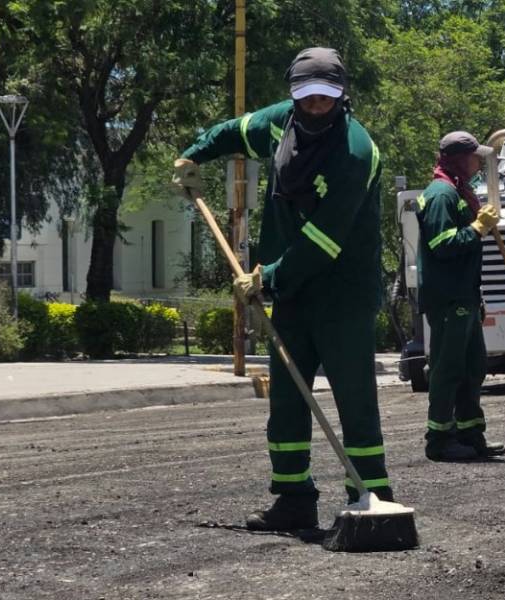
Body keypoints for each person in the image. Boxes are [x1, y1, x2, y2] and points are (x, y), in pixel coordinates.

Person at [172, 47, 391, 530]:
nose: (315, 106)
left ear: (341, 95)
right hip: (291, 293)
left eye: (325, 98)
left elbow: (324, 239)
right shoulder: (278, 125)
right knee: (288, 399)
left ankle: (372, 494)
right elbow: (234, 131)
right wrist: (195, 152)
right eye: (307, 97)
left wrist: (266, 277)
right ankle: (293, 499)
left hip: (342, 294)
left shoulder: (356, 151)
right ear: (294, 94)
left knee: (354, 399)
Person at [414, 131, 505, 461]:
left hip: (464, 295)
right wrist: (477, 229)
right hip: (448, 298)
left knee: (472, 367)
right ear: (459, 158)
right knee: (448, 367)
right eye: (475, 157)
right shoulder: (441, 195)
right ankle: (439, 438)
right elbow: (443, 245)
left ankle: (470, 435)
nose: (479, 162)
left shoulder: (458, 191)